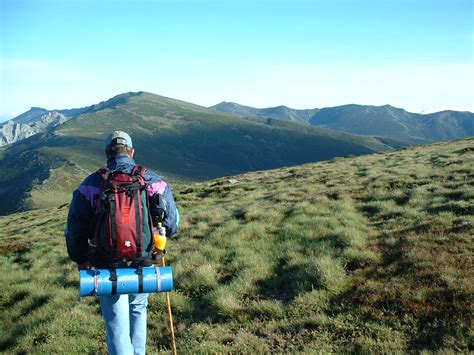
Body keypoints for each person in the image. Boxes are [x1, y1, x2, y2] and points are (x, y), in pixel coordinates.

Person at [65, 131, 179, 355]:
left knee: (117, 320)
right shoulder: (151, 179)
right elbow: (172, 223)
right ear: (132, 152)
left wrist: (81, 259)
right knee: (138, 307)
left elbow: (74, 227)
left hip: (107, 263)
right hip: (144, 259)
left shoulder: (92, 184)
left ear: (107, 153)